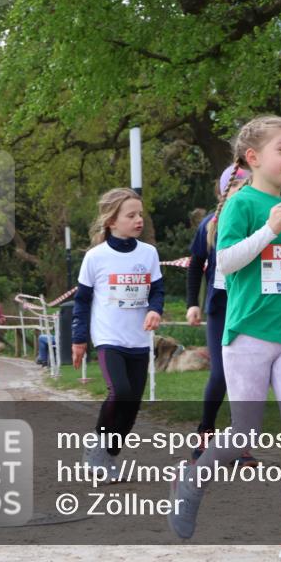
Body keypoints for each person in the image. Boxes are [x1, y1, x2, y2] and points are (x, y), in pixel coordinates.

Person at [167, 115, 281, 562]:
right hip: (247, 335)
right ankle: (193, 480)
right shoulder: (241, 204)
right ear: (253, 157)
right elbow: (225, 261)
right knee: (242, 434)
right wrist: (267, 228)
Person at [72, 188, 164, 483]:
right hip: (109, 338)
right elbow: (82, 301)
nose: (139, 220)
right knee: (120, 392)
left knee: (132, 404)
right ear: (112, 221)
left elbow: (157, 290)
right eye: (131, 215)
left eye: (140, 214)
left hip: (138, 339)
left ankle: (109, 455)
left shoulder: (148, 253)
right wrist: (78, 339)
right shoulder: (95, 257)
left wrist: (155, 310)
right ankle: (96, 449)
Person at [185, 165, 259, 466]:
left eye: (247, 185)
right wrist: (192, 303)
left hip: (250, 307)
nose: (242, 191)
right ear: (223, 192)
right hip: (221, 308)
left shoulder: (258, 220)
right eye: (237, 186)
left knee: (246, 378)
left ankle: (238, 444)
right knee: (220, 375)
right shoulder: (209, 224)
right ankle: (205, 431)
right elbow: (195, 265)